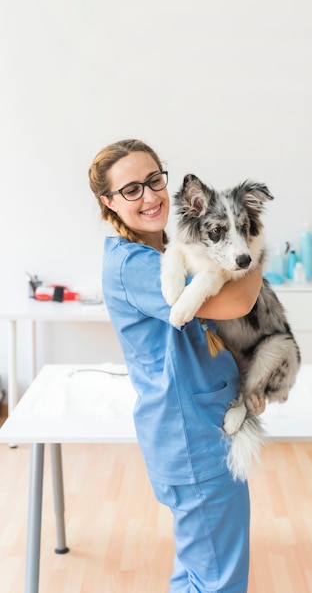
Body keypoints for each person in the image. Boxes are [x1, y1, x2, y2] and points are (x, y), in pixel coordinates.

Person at [88, 138, 265, 593]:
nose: (149, 196)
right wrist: (253, 243)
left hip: (198, 429)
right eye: (131, 190)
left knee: (196, 568)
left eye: (153, 180)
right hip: (193, 438)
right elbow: (240, 297)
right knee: (218, 579)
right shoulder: (134, 265)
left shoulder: (169, 247)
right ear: (108, 202)